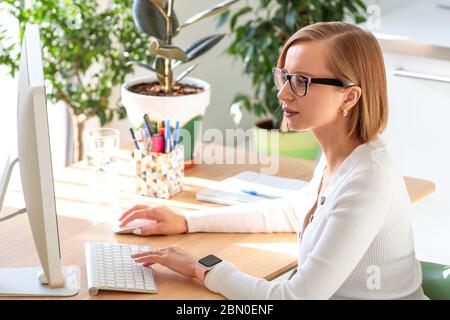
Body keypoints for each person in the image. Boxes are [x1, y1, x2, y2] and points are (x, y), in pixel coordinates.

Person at [119, 21, 426, 299]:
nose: (284, 94)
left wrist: (203, 267)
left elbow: (295, 298)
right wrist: (187, 222)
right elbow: (293, 211)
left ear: (349, 96)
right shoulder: (341, 153)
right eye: (285, 77)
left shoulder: (367, 179)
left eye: (302, 81)